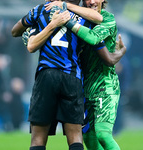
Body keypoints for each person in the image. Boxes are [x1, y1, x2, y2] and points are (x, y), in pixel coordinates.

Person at [11, 0, 105, 149]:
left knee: (38, 139)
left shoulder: (41, 10)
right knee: (75, 137)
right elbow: (98, 18)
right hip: (72, 77)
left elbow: (15, 31)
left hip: (46, 76)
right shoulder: (85, 16)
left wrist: (31, 32)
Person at [46, 0, 125, 149]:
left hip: (105, 85)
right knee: (89, 138)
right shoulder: (77, 16)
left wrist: (66, 11)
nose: (92, 1)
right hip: (83, 87)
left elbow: (93, 38)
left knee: (103, 134)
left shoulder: (108, 19)